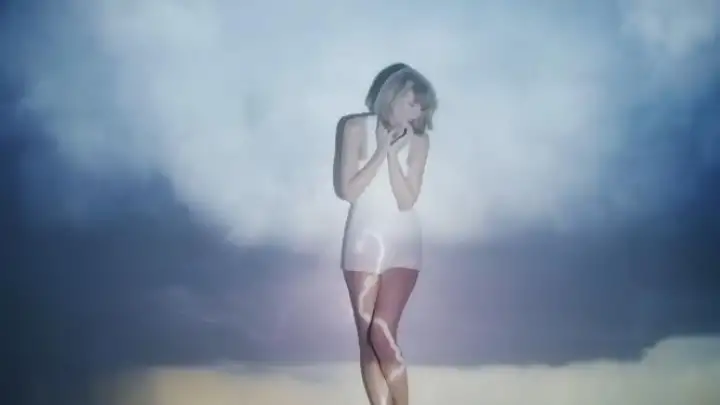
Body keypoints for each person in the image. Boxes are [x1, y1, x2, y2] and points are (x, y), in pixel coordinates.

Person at [333, 63, 438, 405]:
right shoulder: (354, 127)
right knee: (367, 337)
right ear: (391, 96)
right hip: (363, 239)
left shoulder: (419, 141)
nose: (416, 112)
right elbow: (348, 191)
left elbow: (406, 201)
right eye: (411, 102)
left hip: (403, 241)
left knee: (382, 329)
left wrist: (393, 153)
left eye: (421, 107)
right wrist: (380, 150)